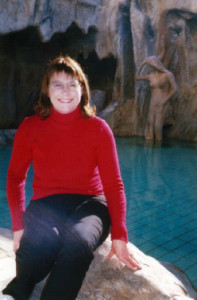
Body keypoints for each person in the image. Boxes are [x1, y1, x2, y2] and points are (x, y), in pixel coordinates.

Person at [2, 56, 141, 300]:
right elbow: (15, 177)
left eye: (72, 84)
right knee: (34, 251)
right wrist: (18, 225)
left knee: (77, 243)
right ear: (47, 90)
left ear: (82, 90)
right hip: (46, 202)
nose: (65, 91)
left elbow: (114, 184)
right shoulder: (30, 127)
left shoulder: (98, 128)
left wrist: (119, 235)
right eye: (58, 84)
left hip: (91, 204)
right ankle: (14, 294)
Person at [135, 56, 177, 141]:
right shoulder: (151, 76)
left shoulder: (167, 74)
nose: (152, 66)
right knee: (150, 125)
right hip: (152, 103)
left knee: (157, 126)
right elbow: (136, 77)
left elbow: (175, 89)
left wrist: (165, 101)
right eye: (150, 65)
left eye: (153, 64)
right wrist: (144, 63)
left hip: (162, 102)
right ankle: (151, 149)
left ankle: (158, 147)